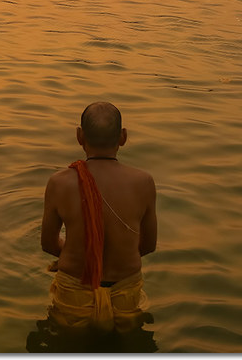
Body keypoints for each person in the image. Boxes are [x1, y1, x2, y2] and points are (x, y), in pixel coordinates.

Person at [40, 102, 157, 334]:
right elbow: (147, 246)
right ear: (123, 137)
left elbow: (49, 244)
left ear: (79, 136)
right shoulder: (143, 182)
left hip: (74, 294)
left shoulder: (59, 182)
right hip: (126, 294)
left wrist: (81, 251)